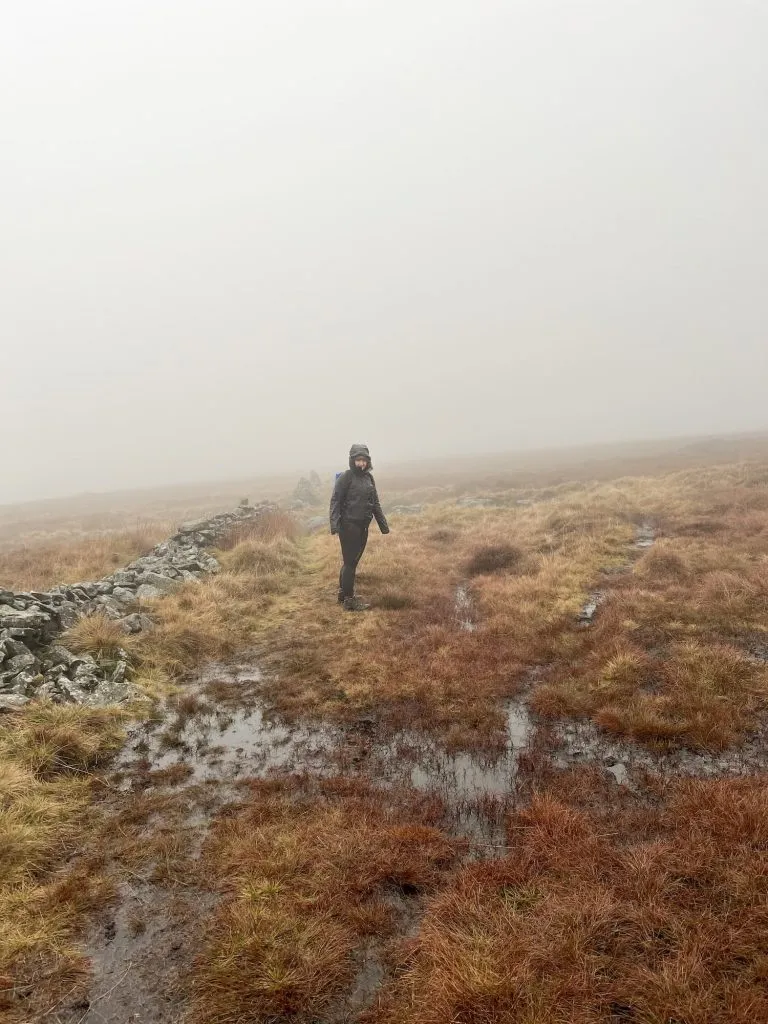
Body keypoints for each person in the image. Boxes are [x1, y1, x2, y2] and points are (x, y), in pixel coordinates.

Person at [330, 444, 390, 611]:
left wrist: (383, 525)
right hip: (348, 526)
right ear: (352, 460)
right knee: (350, 563)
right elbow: (335, 500)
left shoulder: (369, 478)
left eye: (364, 460)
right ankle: (349, 600)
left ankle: (343, 594)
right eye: (358, 460)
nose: (361, 464)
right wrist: (334, 524)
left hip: (363, 526)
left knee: (351, 562)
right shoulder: (346, 477)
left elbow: (375, 503)